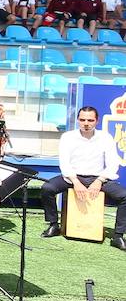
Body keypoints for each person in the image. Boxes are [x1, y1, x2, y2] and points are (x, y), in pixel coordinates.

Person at [39, 106, 126, 249]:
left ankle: (118, 236)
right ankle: (54, 225)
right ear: (78, 120)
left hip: (98, 178)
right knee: (47, 188)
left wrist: (99, 181)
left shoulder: (105, 137)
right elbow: (65, 163)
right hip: (72, 177)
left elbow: (113, 164)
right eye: (82, 119)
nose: (86, 123)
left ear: (96, 121)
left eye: (90, 120)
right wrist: (75, 182)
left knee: (125, 196)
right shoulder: (68, 137)